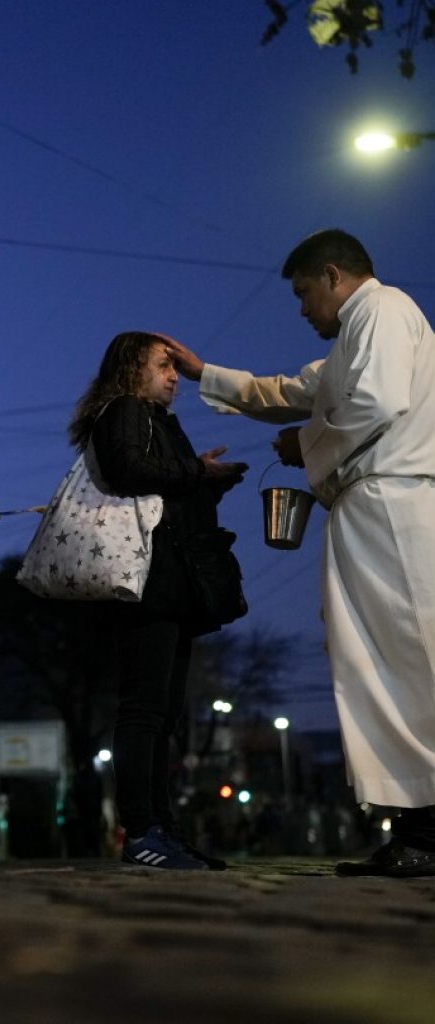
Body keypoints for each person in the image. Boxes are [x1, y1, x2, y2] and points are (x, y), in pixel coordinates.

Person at [166, 228, 435, 878]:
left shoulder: (385, 310)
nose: (302, 308)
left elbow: (376, 403)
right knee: (377, 663)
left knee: (409, 659)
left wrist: (304, 446)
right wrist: (207, 375)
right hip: (369, 507)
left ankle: (428, 828)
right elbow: (288, 390)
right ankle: (416, 826)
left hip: (394, 505)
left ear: (335, 276)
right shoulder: (354, 336)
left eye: (304, 293)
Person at [73, 331, 247, 870]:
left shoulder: (154, 419)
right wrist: (197, 471)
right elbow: (130, 472)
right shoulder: (125, 409)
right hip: (146, 578)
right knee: (145, 707)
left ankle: (163, 830)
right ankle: (143, 831)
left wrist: (207, 482)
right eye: (163, 366)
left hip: (170, 580)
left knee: (165, 710)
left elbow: (162, 488)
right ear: (131, 369)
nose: (174, 377)